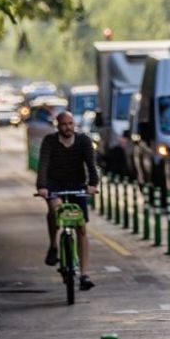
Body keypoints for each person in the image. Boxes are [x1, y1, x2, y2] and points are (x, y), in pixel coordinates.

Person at [35, 111, 100, 291]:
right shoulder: (49, 141)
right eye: (64, 124)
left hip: (77, 185)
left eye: (70, 123)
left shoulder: (83, 141)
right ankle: (54, 245)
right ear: (57, 125)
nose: (68, 127)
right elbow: (43, 165)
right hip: (54, 185)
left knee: (81, 228)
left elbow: (91, 165)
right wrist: (42, 186)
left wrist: (93, 184)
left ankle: (84, 274)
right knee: (55, 210)